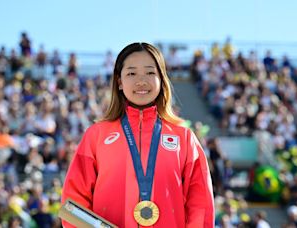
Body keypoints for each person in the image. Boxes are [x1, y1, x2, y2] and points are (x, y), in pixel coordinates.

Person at [61, 42, 214, 227]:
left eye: (150, 72)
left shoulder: (184, 137)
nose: (141, 81)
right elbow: (75, 199)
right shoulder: (97, 135)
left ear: (161, 79)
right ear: (119, 81)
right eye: (131, 73)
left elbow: (200, 203)